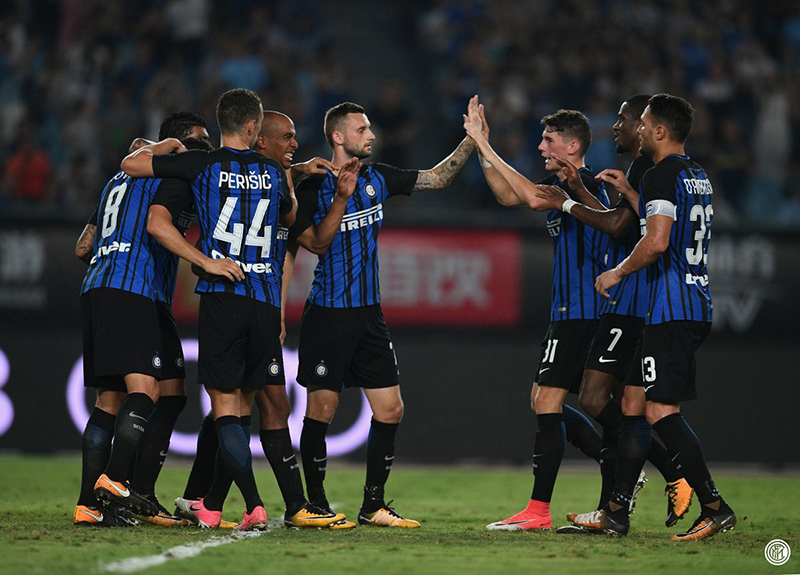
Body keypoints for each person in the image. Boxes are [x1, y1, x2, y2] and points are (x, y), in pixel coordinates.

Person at [292, 101, 476, 529]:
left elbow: (438, 177)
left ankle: (372, 506)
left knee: (391, 409)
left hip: (369, 316)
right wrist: (338, 196)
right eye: (362, 129)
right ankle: (316, 504)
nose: (372, 135)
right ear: (338, 137)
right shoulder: (311, 187)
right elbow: (316, 244)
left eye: (370, 128)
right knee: (322, 409)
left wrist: (473, 140)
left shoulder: (378, 177)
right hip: (328, 313)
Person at [174, 111, 359, 529]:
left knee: (241, 409)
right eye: (286, 138)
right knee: (246, 408)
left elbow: (312, 242)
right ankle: (277, 504)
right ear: (258, 138)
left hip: (256, 309)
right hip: (248, 305)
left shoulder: (275, 182)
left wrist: (329, 192)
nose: (295, 145)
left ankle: (207, 500)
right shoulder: (266, 184)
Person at [121, 88, 290, 531]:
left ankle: (252, 504)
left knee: (225, 409)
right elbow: (290, 216)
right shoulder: (274, 171)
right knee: (242, 408)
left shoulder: (202, 164)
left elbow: (131, 165)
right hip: (265, 300)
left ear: (222, 124)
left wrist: (168, 145)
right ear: (253, 127)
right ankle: (212, 504)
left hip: (223, 295)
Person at [581, 94, 736, 541]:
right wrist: (634, 195)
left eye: (644, 124)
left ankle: (714, 506)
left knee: (660, 410)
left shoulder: (660, 173)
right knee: (632, 405)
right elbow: (674, 223)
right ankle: (615, 512)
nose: (640, 130)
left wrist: (617, 272)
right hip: (688, 301)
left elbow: (658, 241)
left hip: (672, 308)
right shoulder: (696, 174)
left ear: (661, 131)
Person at [535, 96, 693, 531]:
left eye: (627, 120)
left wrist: (567, 202)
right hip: (636, 300)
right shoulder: (656, 171)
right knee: (623, 405)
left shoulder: (651, 169)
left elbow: (622, 227)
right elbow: (624, 219)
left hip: (636, 299)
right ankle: (620, 507)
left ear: (648, 127)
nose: (619, 127)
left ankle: (669, 480)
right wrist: (586, 191)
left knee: (616, 404)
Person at [74, 113, 230, 527]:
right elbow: (157, 226)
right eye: (197, 141)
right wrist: (204, 262)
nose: (204, 149)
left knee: (126, 398)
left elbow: (83, 246)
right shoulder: (169, 173)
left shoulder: (116, 181)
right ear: (175, 143)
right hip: (134, 289)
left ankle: (92, 503)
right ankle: (117, 484)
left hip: (102, 287)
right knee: (146, 390)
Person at [463, 98, 611, 531]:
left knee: (548, 402)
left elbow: (527, 197)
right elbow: (507, 193)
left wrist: (482, 143)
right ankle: (618, 462)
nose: (541, 146)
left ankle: (539, 510)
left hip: (585, 311)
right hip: (568, 311)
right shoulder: (558, 185)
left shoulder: (583, 184)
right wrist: (484, 147)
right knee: (543, 401)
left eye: (549, 140)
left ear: (572, 145)